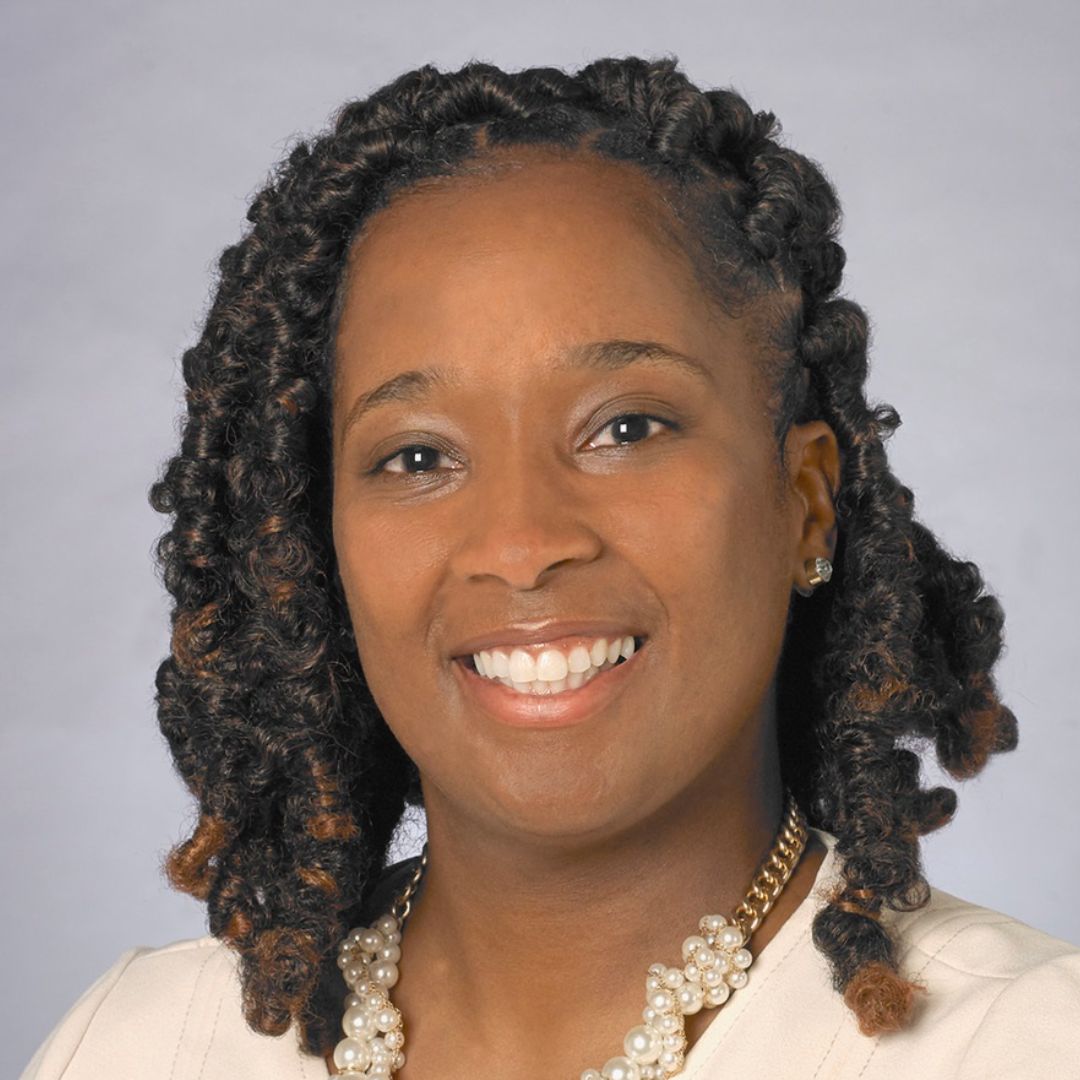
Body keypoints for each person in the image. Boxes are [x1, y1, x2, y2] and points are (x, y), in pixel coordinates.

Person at [21, 55, 1080, 1080]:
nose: (522, 544)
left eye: (626, 428)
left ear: (805, 504)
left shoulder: (1022, 1048)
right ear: (315, 545)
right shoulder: (140, 1050)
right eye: (417, 457)